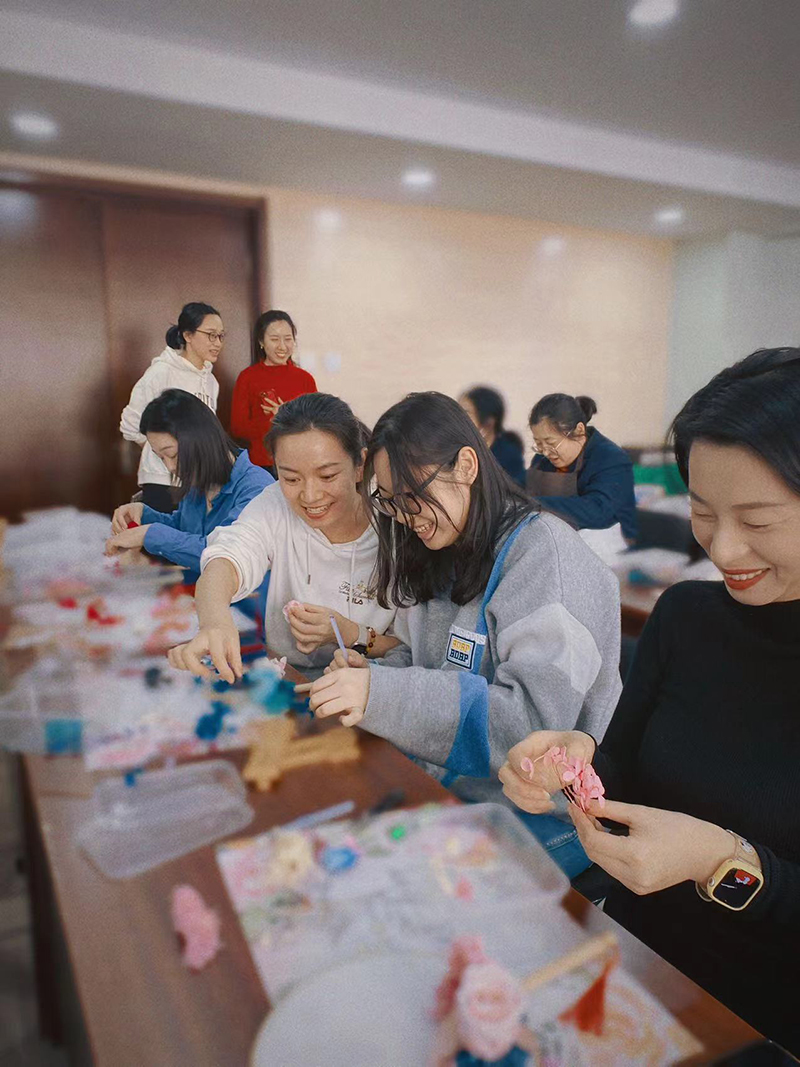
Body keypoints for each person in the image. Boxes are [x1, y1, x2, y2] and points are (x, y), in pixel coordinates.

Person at [499, 347, 800, 1055]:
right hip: (631, 966)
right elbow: (623, 775)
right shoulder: (687, 615)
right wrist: (574, 766)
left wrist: (720, 861)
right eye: (702, 511)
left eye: (758, 520)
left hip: (760, 1020)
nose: (724, 549)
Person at [306, 392, 622, 876]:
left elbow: (531, 732)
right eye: (390, 502)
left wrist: (381, 693)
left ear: (467, 466)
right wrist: (371, 671)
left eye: (411, 497)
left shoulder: (542, 556)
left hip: (538, 821)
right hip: (447, 791)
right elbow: (420, 660)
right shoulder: (440, 544)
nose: (404, 516)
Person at [166, 393, 398, 677]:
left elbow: (414, 650)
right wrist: (214, 621)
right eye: (291, 478)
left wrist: (350, 633)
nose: (310, 496)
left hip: (373, 683)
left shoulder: (395, 522)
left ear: (360, 465)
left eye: (327, 476)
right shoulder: (275, 503)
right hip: (289, 674)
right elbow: (228, 557)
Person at [106, 389, 273, 579]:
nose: (170, 467)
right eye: (161, 458)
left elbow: (223, 554)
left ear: (201, 439)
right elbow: (184, 528)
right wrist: (145, 515)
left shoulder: (257, 488)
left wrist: (149, 534)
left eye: (173, 455)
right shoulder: (199, 481)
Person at [120, 302, 223, 511]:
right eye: (211, 335)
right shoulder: (161, 373)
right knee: (162, 530)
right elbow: (130, 425)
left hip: (198, 480)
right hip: (162, 481)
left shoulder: (211, 382)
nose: (218, 343)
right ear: (188, 335)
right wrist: (164, 453)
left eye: (221, 336)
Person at [527, 394, 637, 545]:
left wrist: (532, 504)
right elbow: (523, 491)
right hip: (557, 542)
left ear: (579, 430)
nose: (545, 452)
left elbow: (598, 511)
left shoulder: (611, 459)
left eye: (550, 443)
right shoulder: (542, 460)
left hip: (605, 547)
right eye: (539, 444)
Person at [230, 310, 317, 473]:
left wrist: (284, 417)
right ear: (261, 341)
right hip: (261, 465)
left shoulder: (305, 379)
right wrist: (271, 421)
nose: (282, 346)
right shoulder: (247, 377)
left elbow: (315, 424)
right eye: (275, 339)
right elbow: (237, 428)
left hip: (299, 463)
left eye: (288, 339)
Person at [459, 386, 526, 487]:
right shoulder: (457, 449)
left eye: (466, 413)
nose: (459, 418)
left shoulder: (509, 455)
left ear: (488, 422)